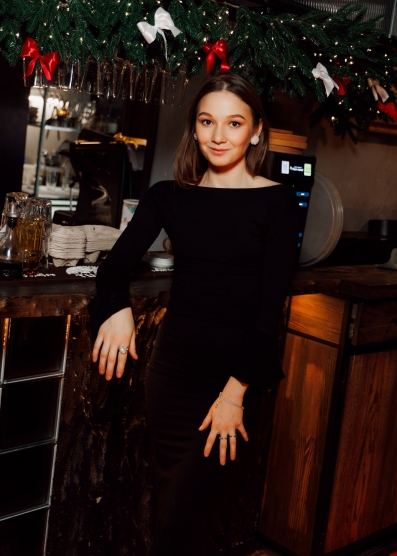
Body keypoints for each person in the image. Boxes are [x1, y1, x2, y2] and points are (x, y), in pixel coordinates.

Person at [89, 73, 299, 555]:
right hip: (171, 374)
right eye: (207, 122)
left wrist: (234, 393)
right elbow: (114, 267)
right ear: (195, 127)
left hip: (234, 378)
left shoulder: (278, 201)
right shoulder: (168, 196)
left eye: (234, 123)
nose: (219, 135)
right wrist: (116, 307)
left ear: (256, 131)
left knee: (187, 516)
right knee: (170, 504)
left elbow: (268, 310)